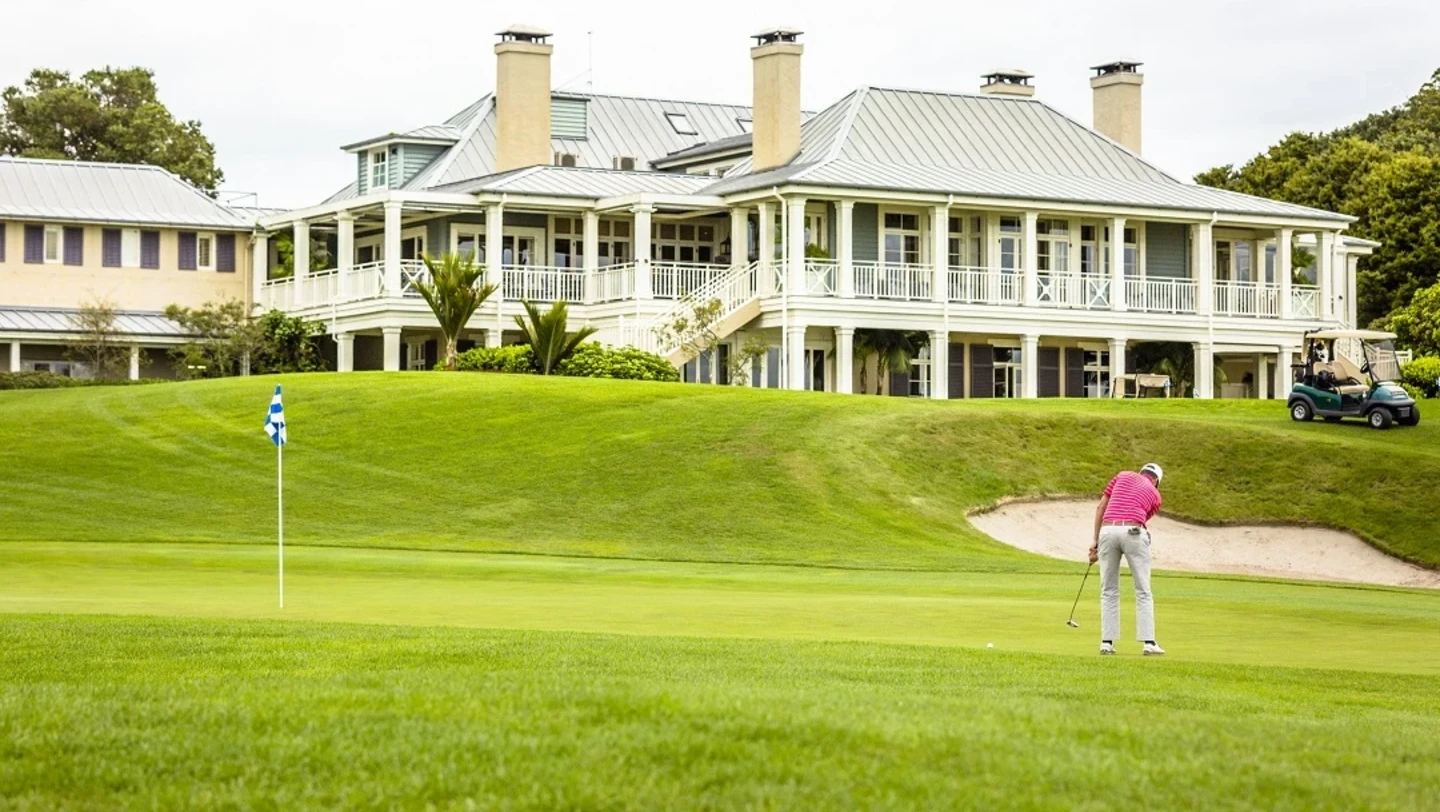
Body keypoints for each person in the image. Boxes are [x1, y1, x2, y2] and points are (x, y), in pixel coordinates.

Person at [1088, 463, 1165, 656]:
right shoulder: (1155, 495)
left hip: (1107, 530)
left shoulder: (1122, 475)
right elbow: (1141, 520)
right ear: (1156, 481)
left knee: (1109, 589)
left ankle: (1106, 643)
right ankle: (1149, 643)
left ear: (1142, 473)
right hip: (1133, 532)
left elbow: (1101, 507)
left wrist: (1095, 543)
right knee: (1143, 589)